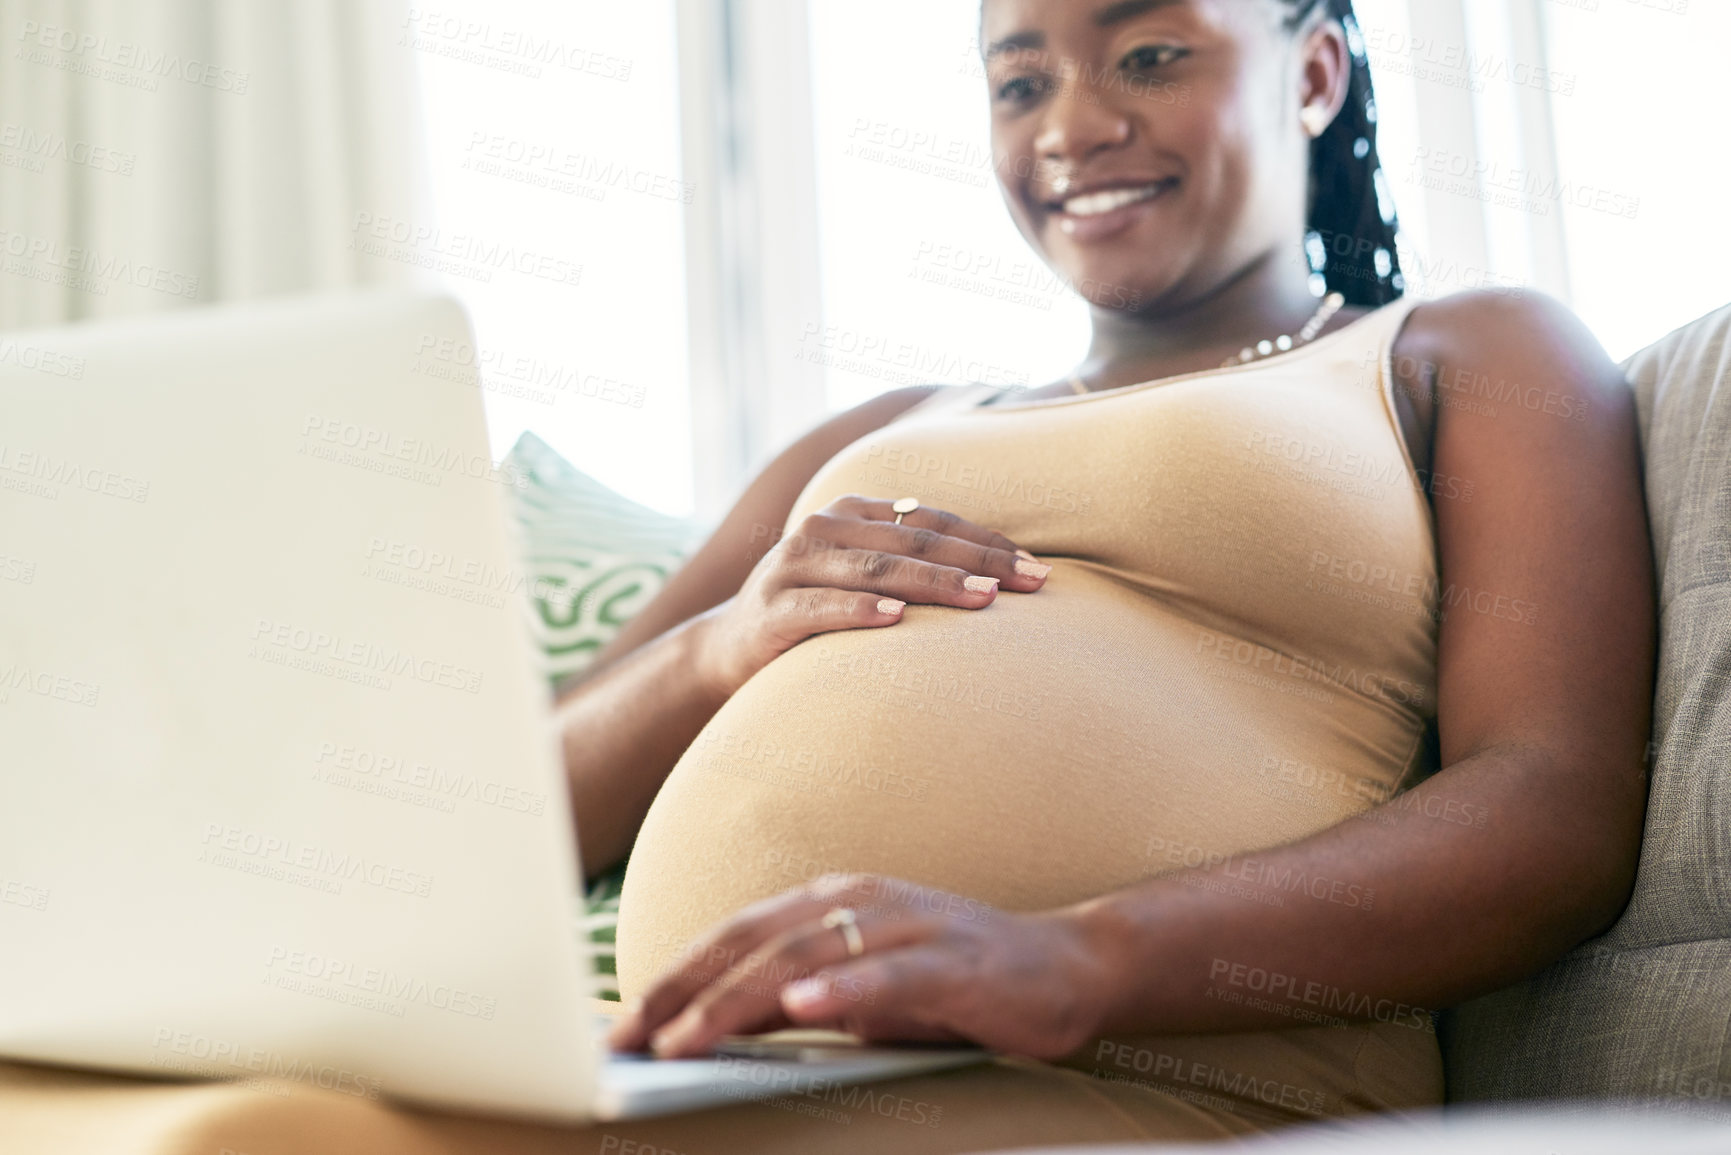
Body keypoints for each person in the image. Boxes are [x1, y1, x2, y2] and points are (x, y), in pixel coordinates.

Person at [557, 0, 1655, 1147]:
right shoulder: (883, 429)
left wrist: (1068, 956)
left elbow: (1553, 802)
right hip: (694, 1070)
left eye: (1150, 58)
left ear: (1315, 74)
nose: (1071, 128)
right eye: (1020, 83)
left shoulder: (1464, 351)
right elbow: (510, 814)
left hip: (1156, 1092)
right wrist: (719, 647)